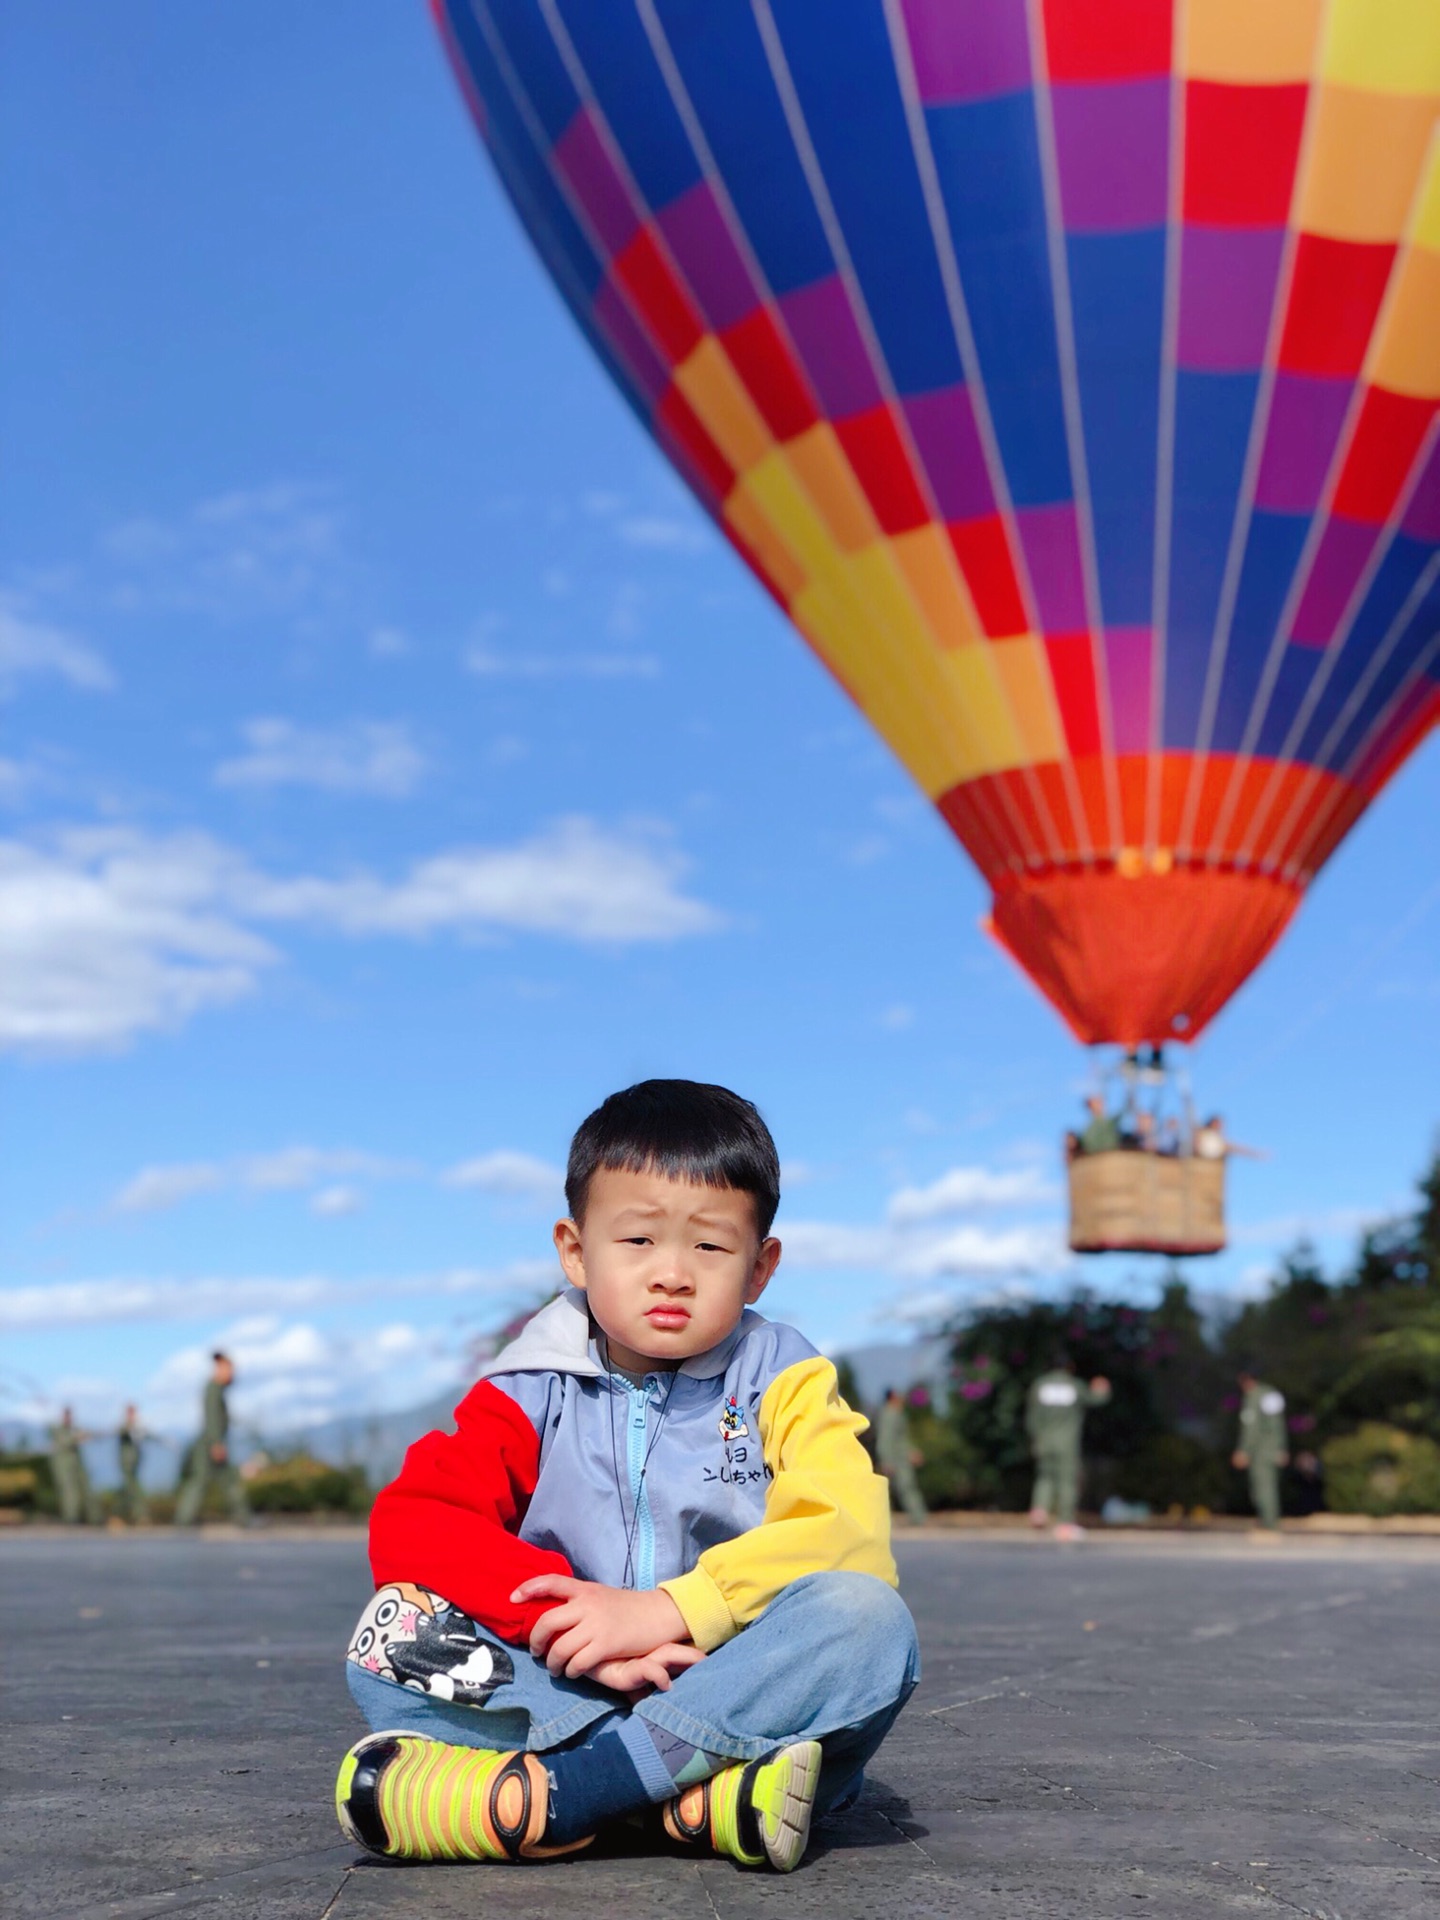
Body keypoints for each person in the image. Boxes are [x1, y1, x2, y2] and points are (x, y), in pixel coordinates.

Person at [335, 1080, 917, 1875]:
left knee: (867, 1620)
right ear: (575, 1251)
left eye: (710, 1247)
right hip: (573, 1689)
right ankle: (696, 1802)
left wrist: (670, 1611)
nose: (672, 1273)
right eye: (638, 1241)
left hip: (733, 1682)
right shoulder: (530, 1387)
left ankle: (565, 1798)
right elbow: (415, 1519)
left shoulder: (784, 1377)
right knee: (391, 1631)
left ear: (759, 1267)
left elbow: (847, 1533)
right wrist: (577, 1626)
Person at [1025, 1355, 1111, 1542]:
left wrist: (1035, 1438)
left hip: (1043, 1441)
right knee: (1067, 1481)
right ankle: (1065, 1523)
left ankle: (1039, 1511)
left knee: (1045, 1477)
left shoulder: (1040, 1385)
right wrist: (1102, 1390)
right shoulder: (1074, 1385)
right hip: (1066, 1442)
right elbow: (1095, 1400)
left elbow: (1031, 1416)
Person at [175, 1353, 249, 1526]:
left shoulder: (216, 1389)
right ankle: (184, 1520)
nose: (231, 1374)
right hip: (211, 1442)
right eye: (229, 1369)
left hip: (211, 1441)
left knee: (218, 1480)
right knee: (208, 1480)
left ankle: (243, 1517)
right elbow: (212, 1418)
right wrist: (216, 1443)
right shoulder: (213, 1388)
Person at [1232, 1370, 1288, 1531]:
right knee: (1269, 1487)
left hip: (1260, 1451)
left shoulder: (1254, 1397)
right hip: (1273, 1450)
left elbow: (1251, 1428)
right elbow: (1278, 1425)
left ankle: (1269, 1523)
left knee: (1262, 1488)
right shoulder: (1270, 1393)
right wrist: (1281, 1448)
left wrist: (1243, 1450)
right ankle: (1270, 1521)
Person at [875, 1388, 928, 1525]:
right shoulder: (890, 1415)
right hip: (896, 1461)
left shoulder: (895, 1414)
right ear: (892, 1397)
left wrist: (911, 1451)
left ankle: (918, 1519)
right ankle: (918, 1519)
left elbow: (901, 1440)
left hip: (900, 1459)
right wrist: (886, 1461)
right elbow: (884, 1440)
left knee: (903, 1489)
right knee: (905, 1488)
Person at [48, 1407, 98, 1525]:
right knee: (70, 1492)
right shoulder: (59, 1430)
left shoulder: (73, 1429)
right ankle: (71, 1517)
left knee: (83, 1489)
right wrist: (77, 1437)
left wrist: (86, 1436)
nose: (68, 1419)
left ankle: (91, 1517)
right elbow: (65, 1441)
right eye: (67, 1416)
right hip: (63, 1467)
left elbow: (84, 1437)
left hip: (75, 1465)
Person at [117, 1404, 158, 1525]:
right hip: (127, 1463)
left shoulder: (137, 1427)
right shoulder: (124, 1426)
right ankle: (127, 1515)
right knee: (129, 1489)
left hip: (135, 1463)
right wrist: (131, 1426)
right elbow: (122, 1431)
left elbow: (145, 1436)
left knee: (132, 1489)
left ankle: (136, 1516)